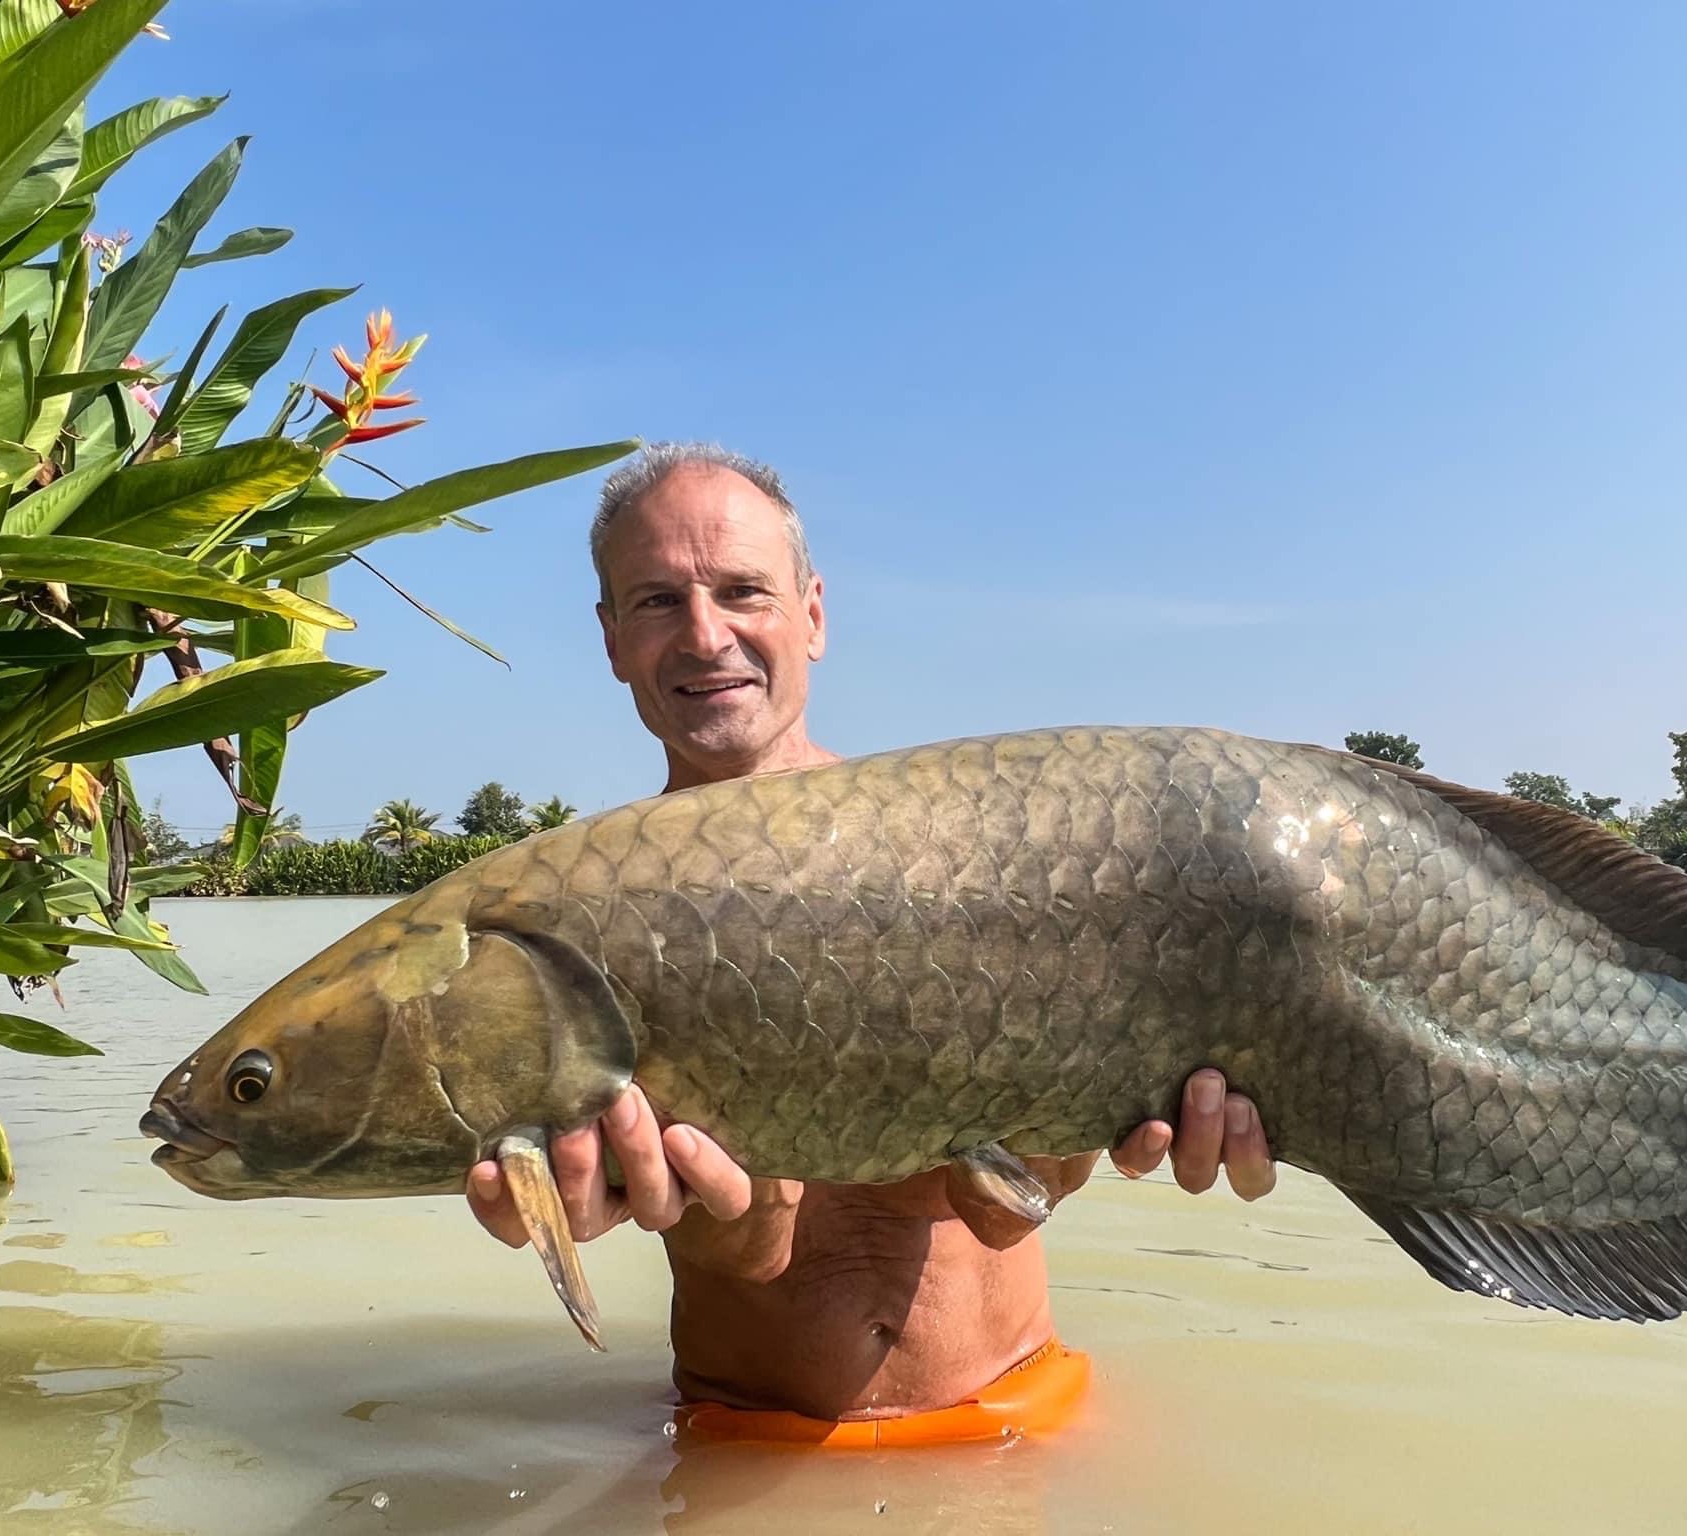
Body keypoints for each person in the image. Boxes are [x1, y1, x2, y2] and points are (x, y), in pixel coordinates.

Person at [464, 444, 1275, 1442]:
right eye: (658, 602)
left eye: (741, 592)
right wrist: (561, 1195)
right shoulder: (586, 930)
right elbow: (753, 1254)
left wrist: (1073, 1149)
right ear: (610, 639)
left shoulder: (962, 860)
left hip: (1016, 1426)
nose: (705, 635)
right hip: (739, 1445)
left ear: (812, 613)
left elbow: (995, 1211)